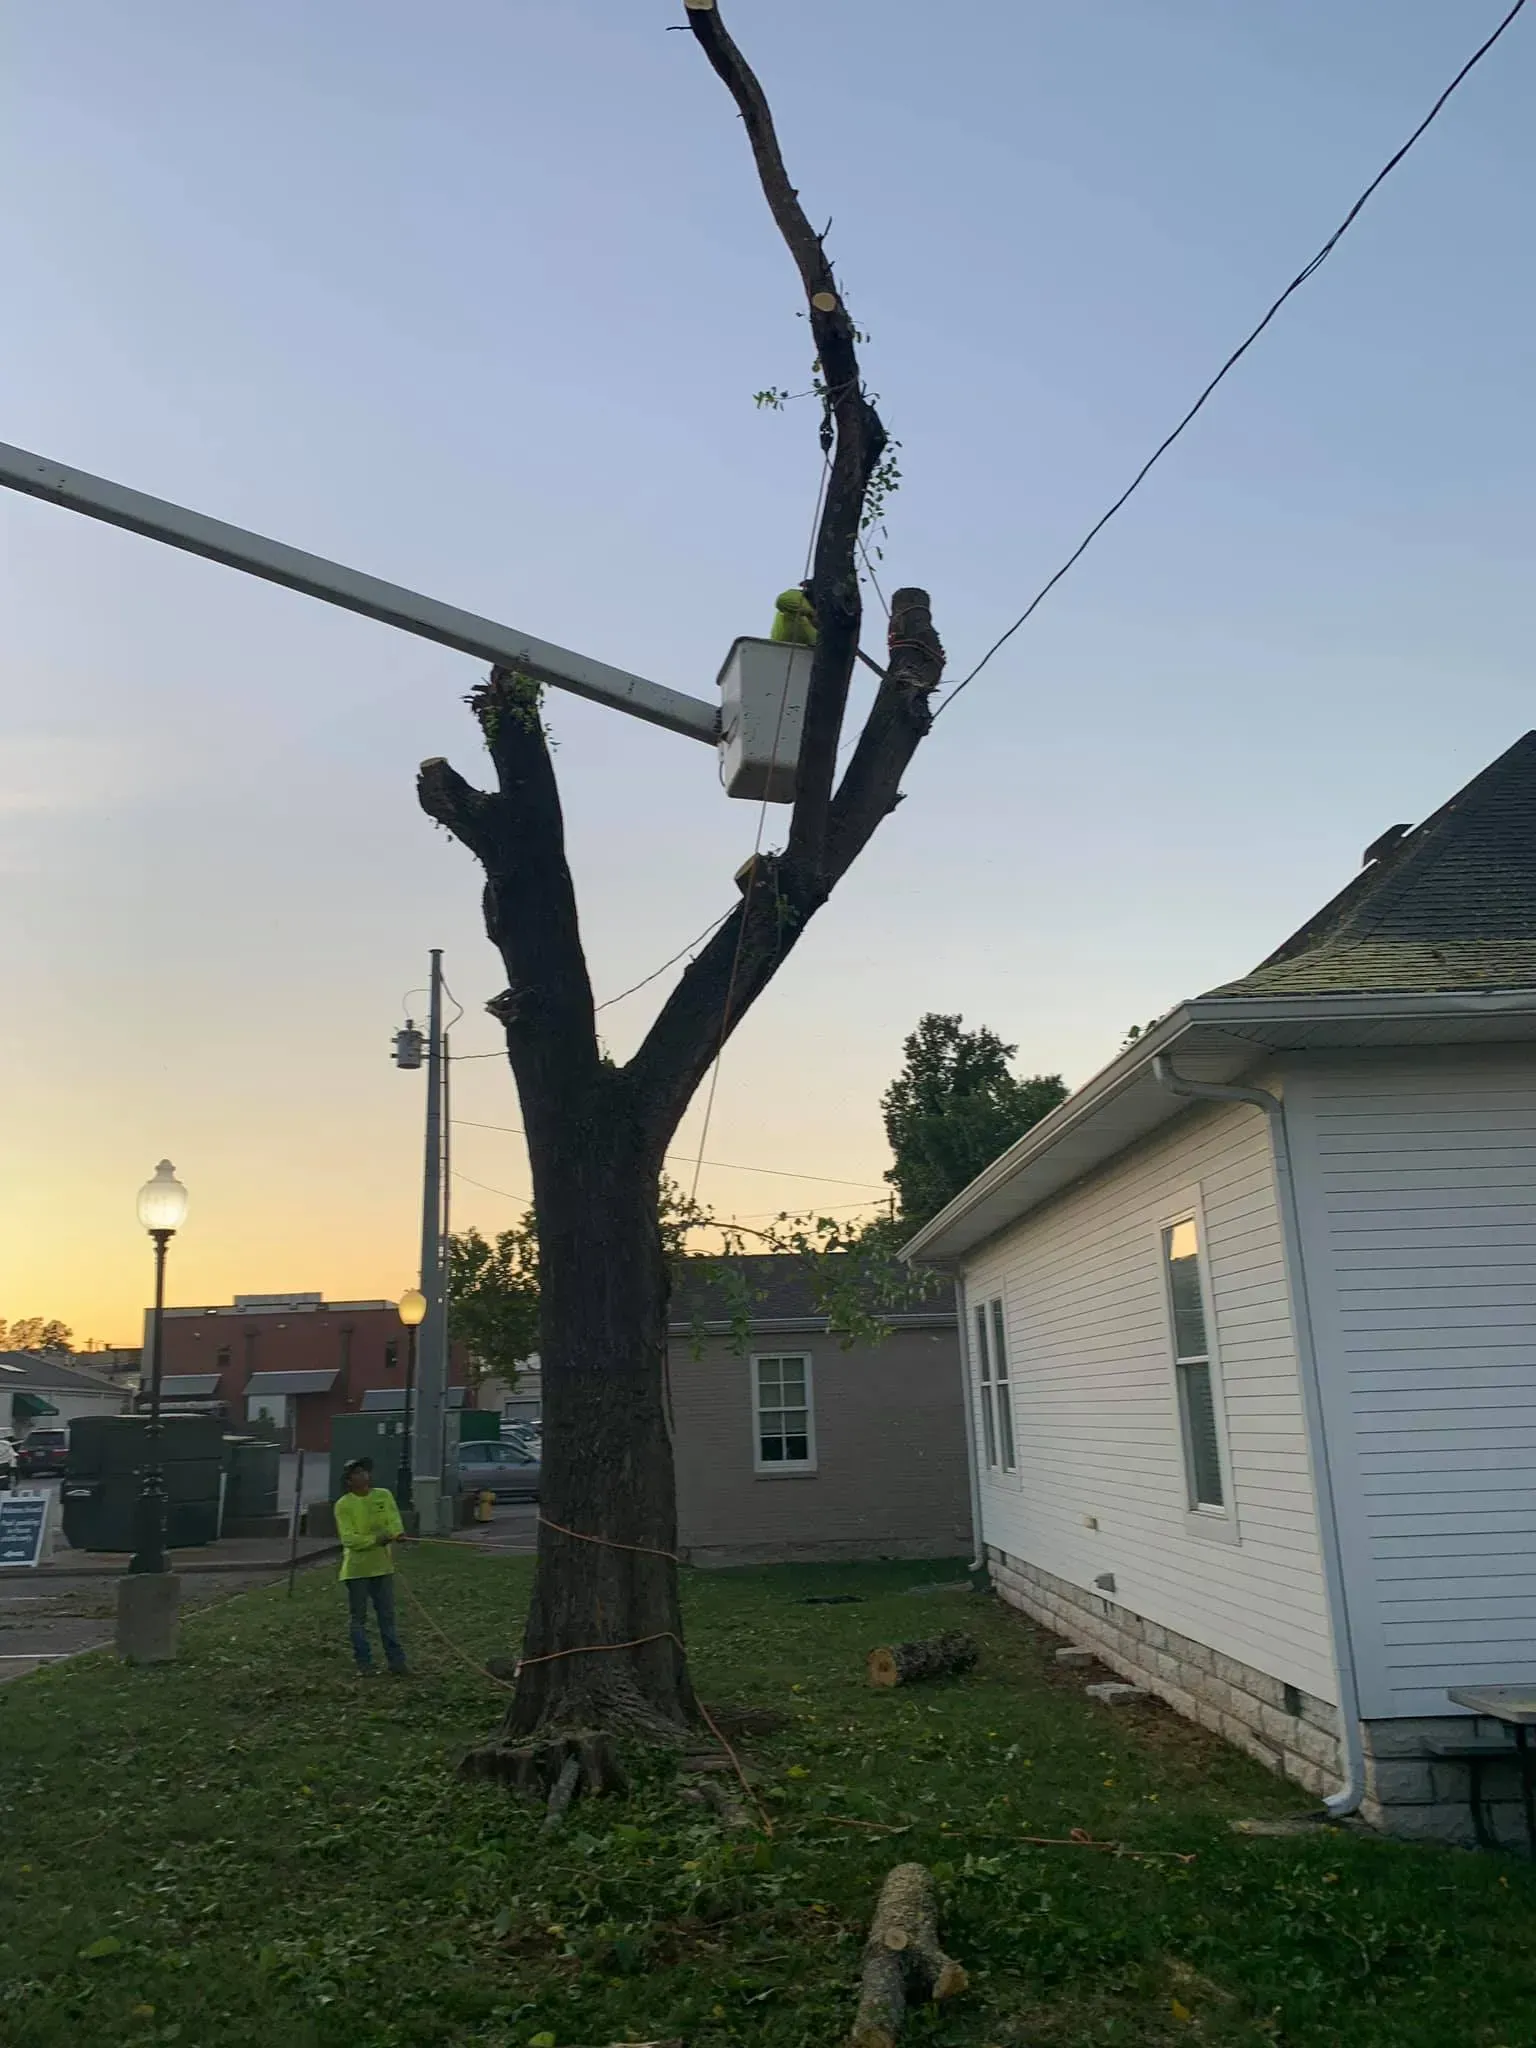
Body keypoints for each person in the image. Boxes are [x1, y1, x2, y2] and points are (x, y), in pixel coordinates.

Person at [333, 1457, 409, 1675]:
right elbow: (349, 1539)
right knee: (359, 1618)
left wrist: (397, 1534)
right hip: (357, 1570)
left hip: (383, 1567)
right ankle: (364, 1663)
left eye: (365, 1471)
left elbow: (393, 1520)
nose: (363, 1475)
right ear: (348, 1480)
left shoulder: (383, 1495)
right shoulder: (343, 1504)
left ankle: (397, 1662)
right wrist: (375, 1540)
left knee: (387, 1616)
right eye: (357, 1472)